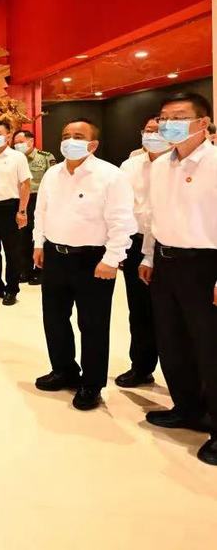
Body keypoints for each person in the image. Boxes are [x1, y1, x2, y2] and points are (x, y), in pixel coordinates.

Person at [33, 118, 135, 411]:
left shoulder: (110, 176)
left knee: (93, 325)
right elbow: (41, 212)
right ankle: (64, 369)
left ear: (93, 144)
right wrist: (39, 244)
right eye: (66, 135)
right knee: (54, 318)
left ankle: (92, 384)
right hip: (55, 255)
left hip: (93, 260)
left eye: (78, 136)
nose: (69, 141)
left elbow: (122, 221)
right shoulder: (52, 174)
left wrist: (111, 259)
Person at [139, 92, 217, 465]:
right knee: (172, 341)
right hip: (166, 261)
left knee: (210, 348)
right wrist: (148, 255)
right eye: (164, 116)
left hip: (205, 265)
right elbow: (154, 215)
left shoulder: (214, 163)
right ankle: (186, 408)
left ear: (203, 123)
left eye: (179, 116)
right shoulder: (159, 166)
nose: (168, 123)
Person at [115, 116, 170, 388]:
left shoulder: (176, 164)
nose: (152, 135)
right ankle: (141, 366)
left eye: (158, 131)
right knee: (139, 310)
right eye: (148, 130)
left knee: (171, 313)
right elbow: (119, 205)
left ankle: (182, 379)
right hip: (135, 244)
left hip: (169, 245)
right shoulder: (130, 165)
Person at [0, 120, 31, 306]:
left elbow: (25, 185)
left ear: (8, 136)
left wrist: (22, 211)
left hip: (10, 208)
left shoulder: (17, 157)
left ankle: (12, 289)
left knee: (12, 252)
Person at [12, 130, 55, 285]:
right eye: (15, 143)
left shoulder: (45, 157)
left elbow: (53, 179)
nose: (17, 145)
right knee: (22, 237)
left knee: (40, 234)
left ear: (31, 141)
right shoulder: (13, 158)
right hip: (21, 200)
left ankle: (40, 270)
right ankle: (25, 270)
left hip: (39, 199)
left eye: (21, 142)